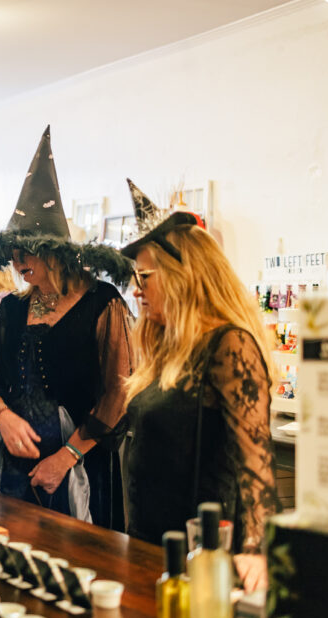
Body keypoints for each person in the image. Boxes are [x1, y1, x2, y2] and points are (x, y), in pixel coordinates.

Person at [0, 126, 135, 528]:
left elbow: (118, 392)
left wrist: (67, 456)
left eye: (27, 252)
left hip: (81, 469)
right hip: (14, 470)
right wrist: (3, 417)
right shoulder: (11, 309)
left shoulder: (102, 303)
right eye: (12, 254)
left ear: (55, 252)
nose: (17, 263)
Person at [119, 178, 281, 593]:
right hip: (150, 542)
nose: (136, 290)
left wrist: (257, 548)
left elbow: (256, 463)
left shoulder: (230, 345)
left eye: (144, 277)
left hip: (203, 554)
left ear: (181, 275)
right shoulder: (166, 347)